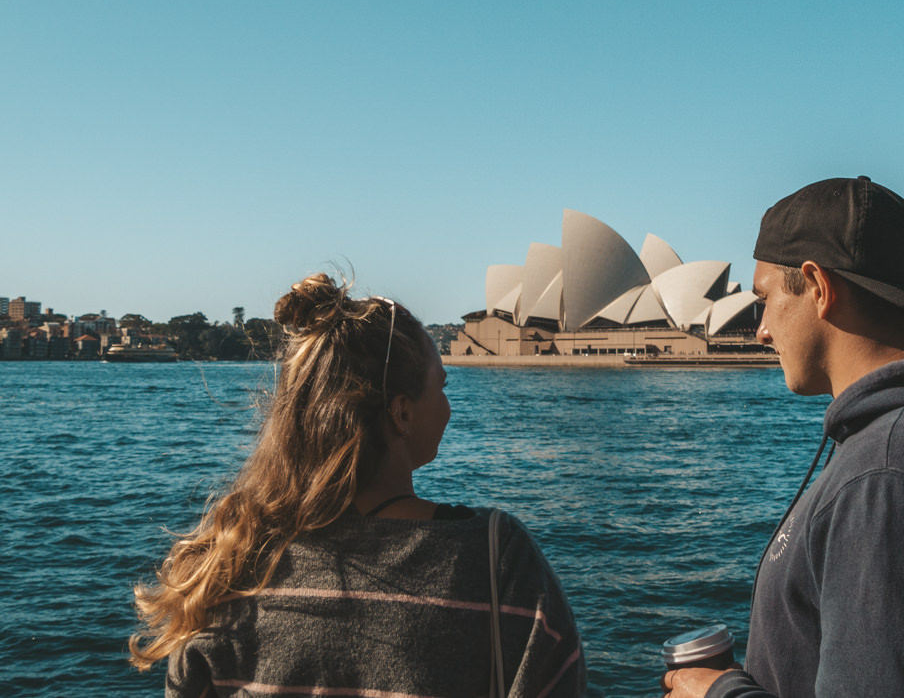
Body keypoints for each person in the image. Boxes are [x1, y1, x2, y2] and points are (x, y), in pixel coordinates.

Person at [664, 177, 904, 698]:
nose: (761, 330)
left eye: (765, 299)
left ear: (819, 288)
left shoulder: (889, 476)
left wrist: (722, 693)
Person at [131, 272, 585, 698]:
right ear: (402, 412)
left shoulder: (229, 564)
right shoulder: (495, 558)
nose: (449, 406)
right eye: (442, 386)